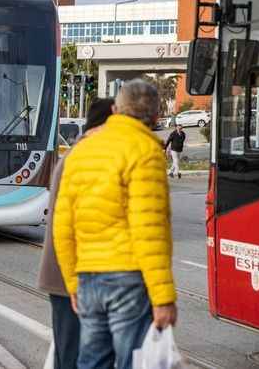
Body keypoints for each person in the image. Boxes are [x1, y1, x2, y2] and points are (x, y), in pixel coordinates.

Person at [54, 79, 177, 369]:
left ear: (115, 109)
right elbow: (149, 230)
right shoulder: (145, 150)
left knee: (92, 362)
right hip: (128, 279)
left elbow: (62, 226)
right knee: (130, 361)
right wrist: (163, 298)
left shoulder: (81, 151)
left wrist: (73, 283)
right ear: (156, 116)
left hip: (88, 279)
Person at [38, 98, 115, 369]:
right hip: (69, 279)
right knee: (73, 355)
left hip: (72, 278)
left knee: (72, 353)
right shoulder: (83, 158)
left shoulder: (85, 154)